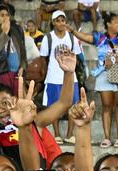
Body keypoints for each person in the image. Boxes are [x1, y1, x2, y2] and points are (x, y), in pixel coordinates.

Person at [70, 12, 118, 148]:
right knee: (106, 106)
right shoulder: (100, 37)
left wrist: (114, 59)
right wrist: (73, 31)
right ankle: (107, 138)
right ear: (109, 24)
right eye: (116, 22)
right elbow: (86, 38)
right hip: (103, 75)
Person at [40, 11, 82, 144]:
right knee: (54, 106)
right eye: (58, 20)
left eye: (63, 20)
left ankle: (70, 134)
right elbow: (43, 58)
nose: (61, 23)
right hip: (53, 77)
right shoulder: (48, 38)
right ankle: (57, 134)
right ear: (53, 23)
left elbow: (77, 56)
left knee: (73, 106)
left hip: (70, 77)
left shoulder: (72, 38)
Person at [0, 4, 27, 96]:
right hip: (1, 73)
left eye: (7, 15)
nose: (5, 18)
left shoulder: (15, 32)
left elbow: (22, 52)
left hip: (17, 74)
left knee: (18, 101)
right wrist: (4, 32)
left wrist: (22, 66)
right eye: (2, 15)